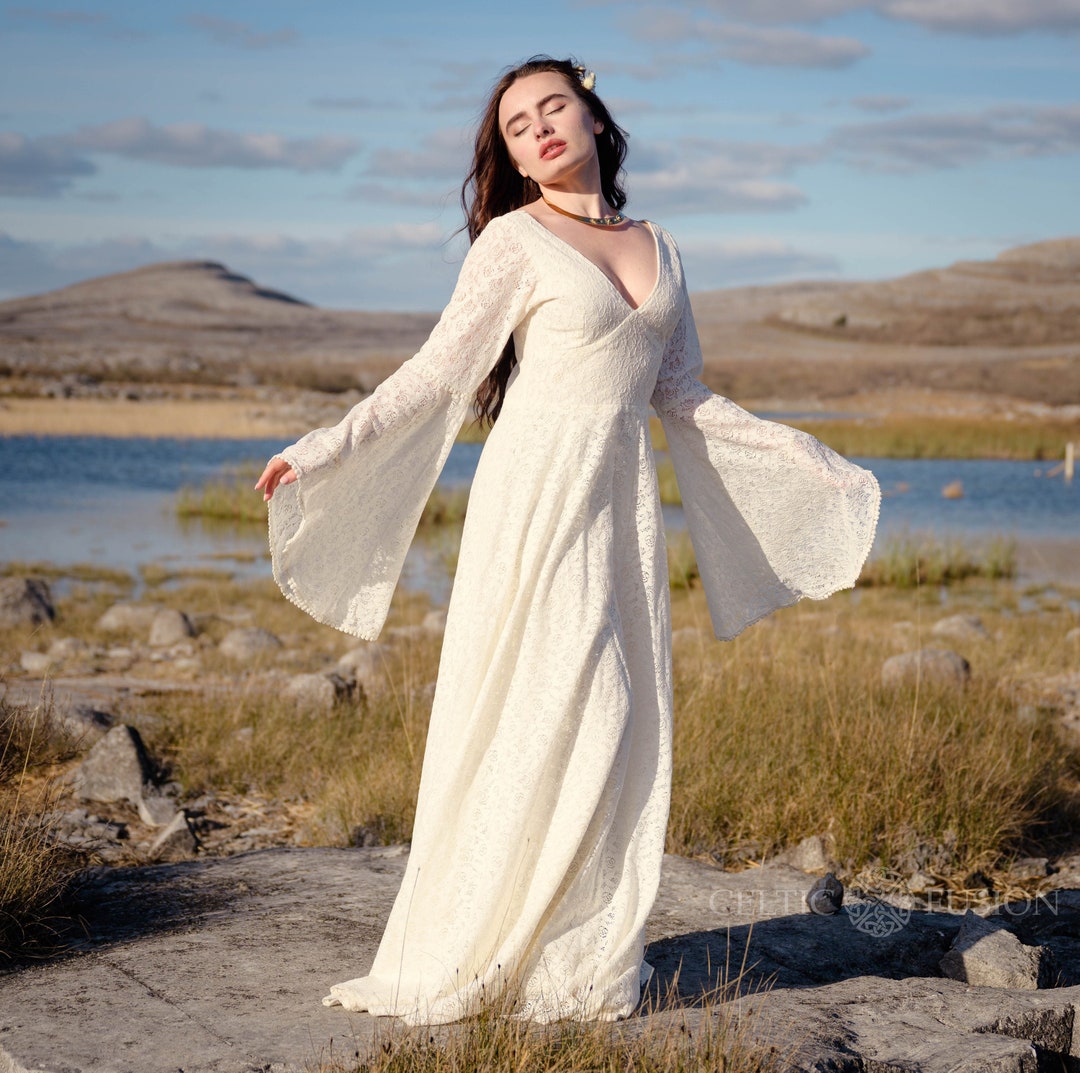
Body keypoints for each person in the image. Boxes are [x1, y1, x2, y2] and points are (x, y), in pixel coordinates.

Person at [255, 56, 880, 1025]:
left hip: (617, 503)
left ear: (593, 117)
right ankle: (484, 942)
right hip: (533, 496)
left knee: (621, 719)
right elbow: (437, 374)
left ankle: (575, 955)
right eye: (517, 125)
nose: (540, 129)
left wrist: (800, 454)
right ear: (508, 152)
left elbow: (682, 395)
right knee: (547, 707)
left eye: (555, 107)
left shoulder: (662, 247)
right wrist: (324, 448)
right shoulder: (512, 240)